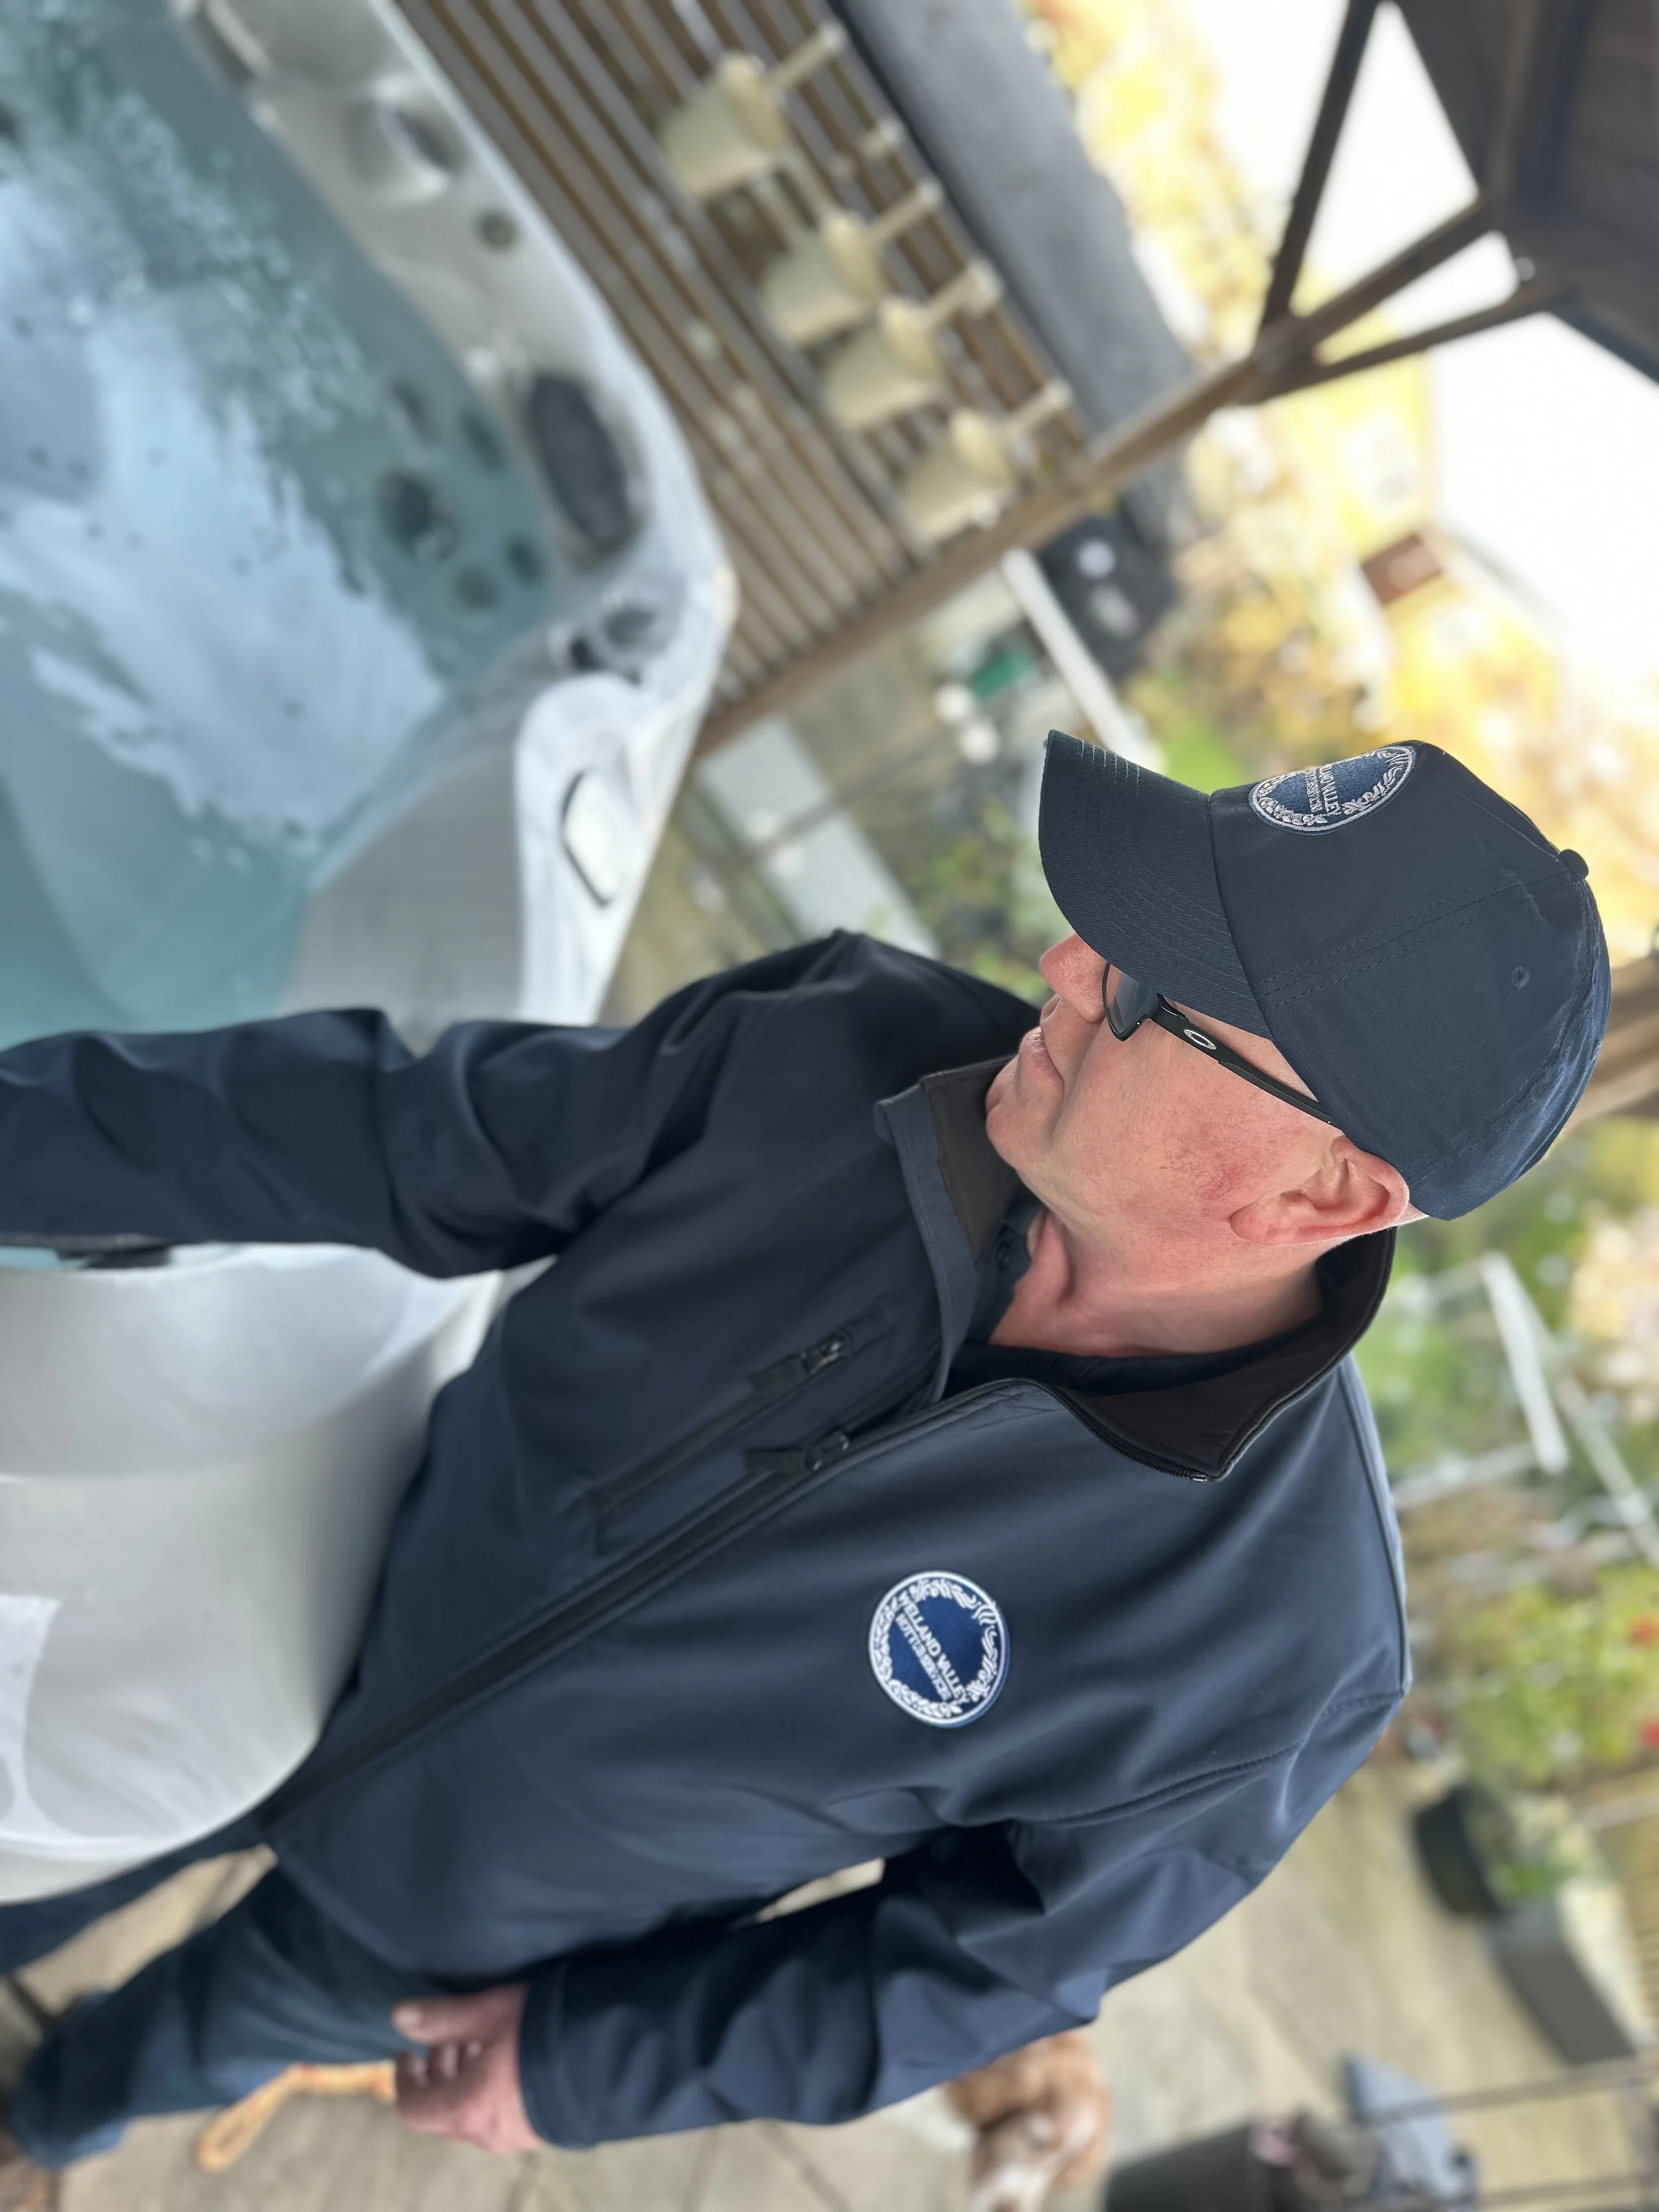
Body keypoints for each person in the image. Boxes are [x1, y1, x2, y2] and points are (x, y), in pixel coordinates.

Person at [0, 737, 1608, 2198]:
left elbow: (986, 1965)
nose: (1062, 967)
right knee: (41, 1859)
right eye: (1112, 925)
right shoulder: (836, 1041)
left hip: (450, 1919)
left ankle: (42, 2121)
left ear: (1323, 1191)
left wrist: (580, 2062)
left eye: (1146, 992)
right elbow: (388, 1130)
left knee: (171, 2050)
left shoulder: (1277, 1646)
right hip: (305, 1602)